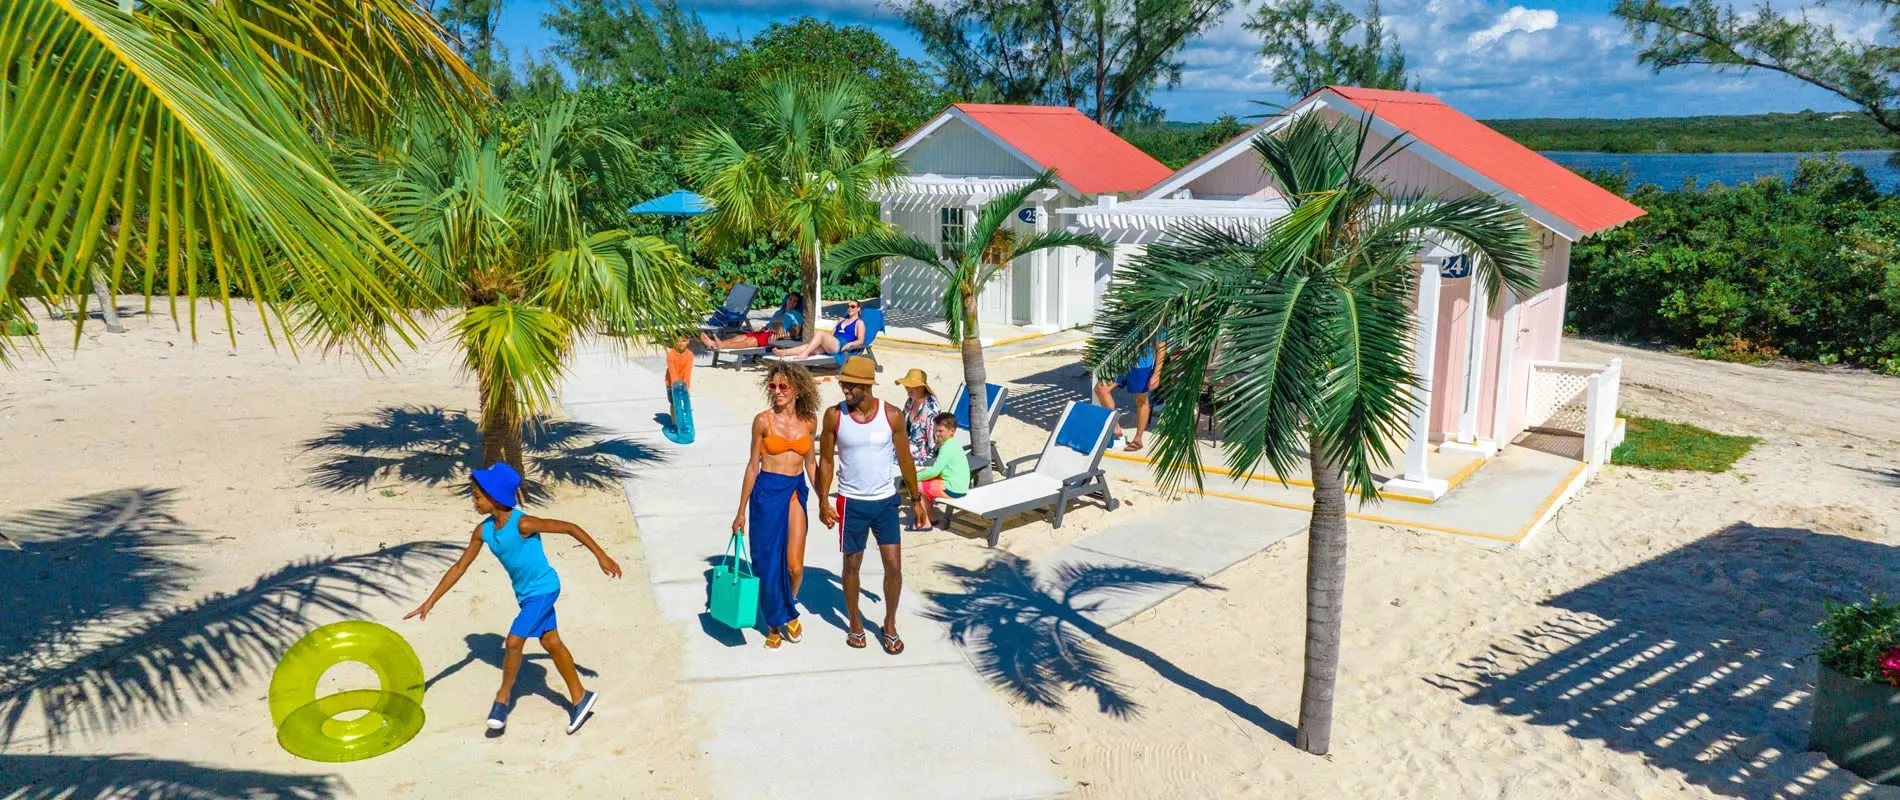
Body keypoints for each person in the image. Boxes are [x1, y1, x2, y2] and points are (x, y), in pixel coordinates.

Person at [406, 462, 622, 735]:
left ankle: (502, 699)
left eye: (477, 496)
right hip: (525, 595)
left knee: (514, 640)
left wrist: (601, 556)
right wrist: (431, 601)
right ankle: (580, 697)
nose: (473, 501)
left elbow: (570, 527)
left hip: (544, 589)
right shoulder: (483, 531)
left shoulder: (524, 523)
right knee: (550, 642)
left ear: (495, 498)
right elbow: (460, 567)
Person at [815, 356, 921, 655]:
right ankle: (855, 622)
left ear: (865, 385)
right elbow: (825, 460)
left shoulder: (892, 416)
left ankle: (889, 623)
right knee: (851, 565)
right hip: (851, 502)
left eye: (849, 384)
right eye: (843, 383)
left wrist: (917, 499)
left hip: (885, 502)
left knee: (894, 567)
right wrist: (824, 500)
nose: (844, 388)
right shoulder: (835, 416)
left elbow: (905, 459)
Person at [731, 363, 820, 649]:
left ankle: (787, 607)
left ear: (797, 388)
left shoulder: (810, 421)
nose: (778, 392)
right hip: (766, 492)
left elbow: (811, 465)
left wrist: (826, 501)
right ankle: (773, 622)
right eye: (773, 386)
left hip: (795, 490)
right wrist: (740, 511)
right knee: (767, 563)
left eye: (783, 386)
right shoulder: (763, 421)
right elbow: (752, 466)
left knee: (794, 565)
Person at [1093, 329, 1167, 452]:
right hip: (1120, 363)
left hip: (1142, 364)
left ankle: (1138, 439)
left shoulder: (1156, 316)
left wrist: (1156, 374)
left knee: (1141, 400)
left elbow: (1161, 347)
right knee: (1101, 389)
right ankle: (1116, 428)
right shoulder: (1125, 310)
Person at [911, 412, 969, 531]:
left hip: (953, 488)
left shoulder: (947, 447)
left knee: (916, 485)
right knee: (924, 483)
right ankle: (932, 519)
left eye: (940, 431)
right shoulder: (953, 444)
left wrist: (914, 477)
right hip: (958, 485)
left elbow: (935, 471)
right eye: (936, 430)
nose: (937, 434)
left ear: (952, 431)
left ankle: (925, 522)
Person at [773, 299, 865, 359]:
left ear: (858, 309)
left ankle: (805, 354)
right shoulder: (842, 321)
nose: (850, 308)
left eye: (853, 306)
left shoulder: (859, 323)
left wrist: (850, 344)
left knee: (820, 333)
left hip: (842, 344)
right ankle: (784, 352)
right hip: (833, 343)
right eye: (848, 306)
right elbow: (832, 335)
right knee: (809, 346)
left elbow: (860, 340)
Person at [893, 368, 940, 466]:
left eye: (911, 386)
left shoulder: (931, 406)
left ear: (921, 388)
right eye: (906, 386)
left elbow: (933, 438)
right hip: (906, 446)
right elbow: (903, 424)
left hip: (921, 453)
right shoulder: (910, 400)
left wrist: (931, 461)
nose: (907, 388)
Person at [663, 332, 695, 445]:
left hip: (683, 385)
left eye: (684, 341)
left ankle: (684, 423)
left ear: (688, 341)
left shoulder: (690, 355)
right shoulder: (670, 354)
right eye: (678, 341)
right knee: (673, 403)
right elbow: (672, 371)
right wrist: (675, 386)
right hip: (671, 383)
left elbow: (688, 371)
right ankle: (674, 423)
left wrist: (686, 386)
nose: (681, 343)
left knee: (684, 404)